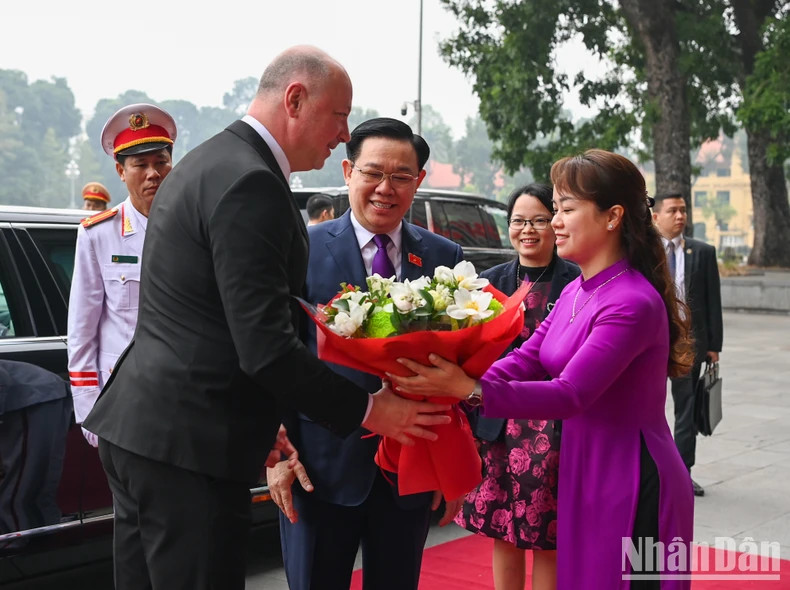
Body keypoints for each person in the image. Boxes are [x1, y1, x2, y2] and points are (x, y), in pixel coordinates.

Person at [83, 46, 450, 590]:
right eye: (339, 115)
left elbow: (212, 321)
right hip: (191, 445)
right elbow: (265, 346)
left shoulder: (209, 162)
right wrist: (374, 411)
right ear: (296, 99)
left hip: (152, 434)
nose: (342, 134)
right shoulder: (252, 182)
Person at [391, 149, 696, 589]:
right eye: (555, 209)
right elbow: (527, 358)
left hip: (632, 476)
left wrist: (472, 389)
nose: (554, 221)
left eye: (566, 209)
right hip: (584, 468)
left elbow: (571, 393)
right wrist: (445, 382)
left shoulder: (631, 301)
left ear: (612, 217)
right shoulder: (577, 289)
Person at [267, 117, 465, 590]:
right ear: (347, 172)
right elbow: (271, 351)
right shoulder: (301, 249)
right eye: (373, 173)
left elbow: (457, 367)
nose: (385, 188)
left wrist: (451, 466)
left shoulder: (443, 256)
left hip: (408, 473)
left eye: (401, 177)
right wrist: (271, 450)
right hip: (318, 466)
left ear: (418, 181)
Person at [457, 183, 579, 590]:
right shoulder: (489, 283)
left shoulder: (576, 283)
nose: (528, 230)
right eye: (519, 221)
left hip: (553, 428)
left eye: (539, 220)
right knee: (503, 528)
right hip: (496, 425)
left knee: (548, 535)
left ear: (555, 223)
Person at [68, 103, 176, 448]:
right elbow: (82, 333)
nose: (153, 173)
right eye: (140, 165)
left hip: (184, 402)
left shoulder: (193, 228)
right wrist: (90, 414)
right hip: (124, 406)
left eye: (161, 162)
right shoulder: (99, 234)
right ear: (120, 170)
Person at [652, 192, 723, 497]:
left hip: (688, 341)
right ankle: (652, 472)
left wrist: (714, 345)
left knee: (686, 410)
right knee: (649, 409)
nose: (680, 216)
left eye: (683, 210)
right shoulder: (644, 251)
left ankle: (683, 472)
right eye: (673, 211)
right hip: (651, 341)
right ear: (656, 217)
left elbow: (712, 300)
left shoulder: (702, 252)